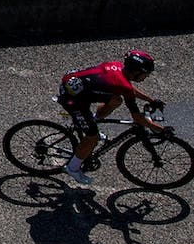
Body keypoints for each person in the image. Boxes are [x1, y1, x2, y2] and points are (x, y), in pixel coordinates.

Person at [58, 50, 164, 186]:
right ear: (136, 71)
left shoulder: (118, 67)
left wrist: (151, 100)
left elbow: (128, 90)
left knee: (116, 100)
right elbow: (137, 118)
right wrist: (160, 130)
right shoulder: (123, 85)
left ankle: (92, 121)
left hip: (76, 84)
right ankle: (72, 168)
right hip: (73, 98)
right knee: (92, 137)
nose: (146, 77)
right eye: (145, 73)